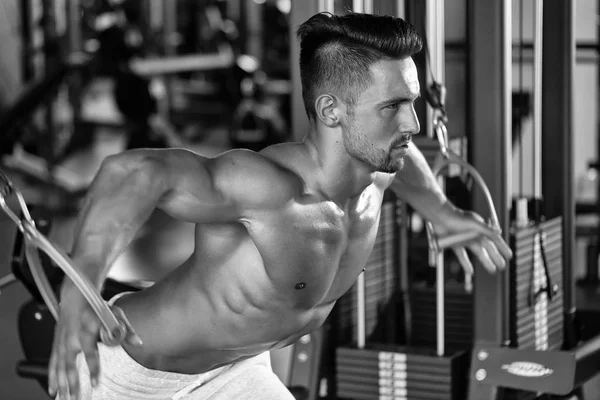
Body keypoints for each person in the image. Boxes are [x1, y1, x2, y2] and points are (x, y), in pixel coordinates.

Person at [49, 12, 512, 400]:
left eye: (411, 102)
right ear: (331, 111)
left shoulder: (377, 169)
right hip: (127, 376)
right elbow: (134, 173)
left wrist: (442, 210)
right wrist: (80, 284)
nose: (412, 122)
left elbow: (406, 156)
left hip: (236, 374)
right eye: (392, 107)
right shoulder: (269, 190)